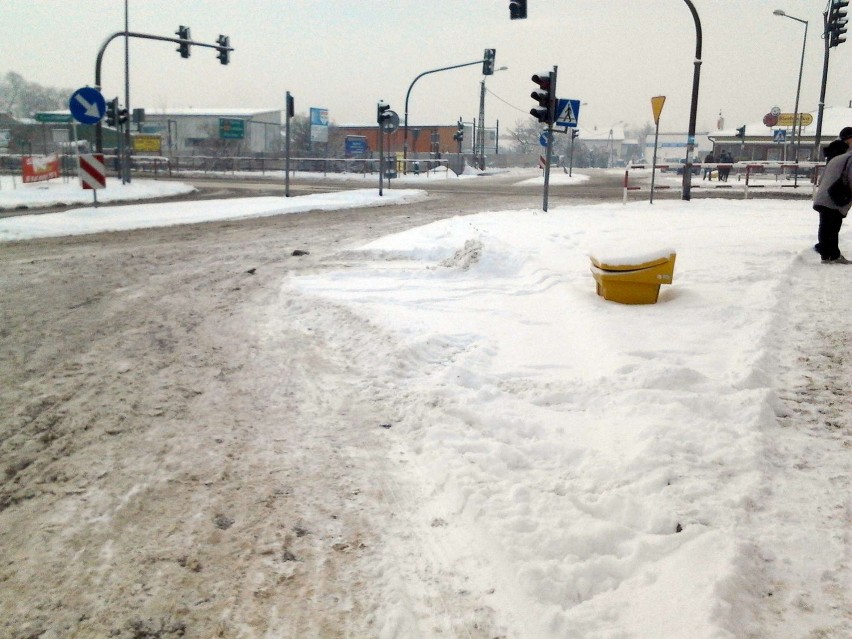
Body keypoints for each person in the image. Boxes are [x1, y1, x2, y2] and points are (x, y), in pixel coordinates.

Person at [812, 127, 852, 264]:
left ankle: (827, 255)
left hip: (825, 193)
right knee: (832, 227)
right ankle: (831, 254)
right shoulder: (847, 155)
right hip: (835, 195)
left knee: (826, 226)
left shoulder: (834, 154)